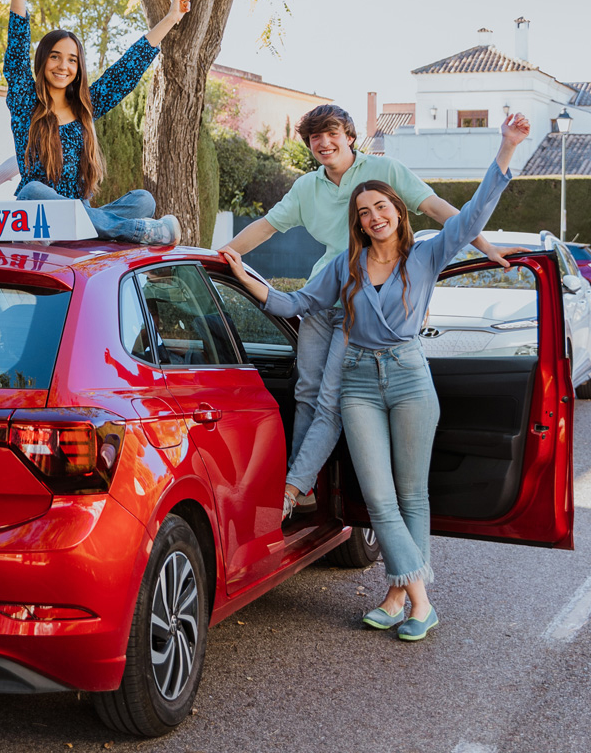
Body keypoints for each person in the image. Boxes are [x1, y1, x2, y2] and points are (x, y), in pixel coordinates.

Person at [223, 113, 531, 640]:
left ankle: (400, 595)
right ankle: (421, 601)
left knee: (412, 497)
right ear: (358, 221)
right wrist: (241, 274)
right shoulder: (345, 265)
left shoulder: (428, 253)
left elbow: (471, 212)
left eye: (381, 207)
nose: (373, 217)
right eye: (364, 212)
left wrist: (505, 150)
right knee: (380, 496)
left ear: (398, 210)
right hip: (360, 383)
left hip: (410, 378)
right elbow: (293, 302)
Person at [4, 0, 186, 245]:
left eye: (72, 59)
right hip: (38, 215)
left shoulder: (84, 107)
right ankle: (136, 232)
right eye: (55, 56)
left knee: (143, 201)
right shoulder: (25, 103)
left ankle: (89, 229)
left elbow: (126, 71)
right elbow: (17, 47)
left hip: (81, 211)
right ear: (43, 61)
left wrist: (170, 19)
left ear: (79, 67)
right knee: (33, 190)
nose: (63, 66)